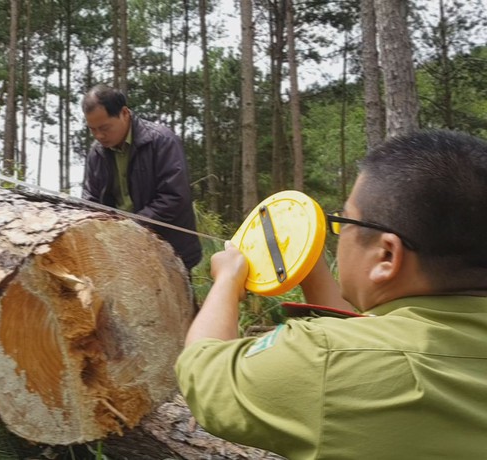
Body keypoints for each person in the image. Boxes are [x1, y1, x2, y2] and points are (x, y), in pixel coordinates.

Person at [175, 130, 487, 459]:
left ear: (387, 256)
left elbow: (205, 374)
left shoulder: (326, 359)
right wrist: (308, 261)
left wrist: (227, 278)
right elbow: (367, 337)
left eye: (344, 221)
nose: (336, 233)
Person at [81, 84, 202, 273]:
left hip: (169, 252)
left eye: (105, 127)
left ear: (124, 113)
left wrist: (131, 224)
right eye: (92, 129)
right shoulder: (96, 153)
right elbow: (90, 199)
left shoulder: (162, 141)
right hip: (122, 252)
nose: (99, 135)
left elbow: (174, 197)